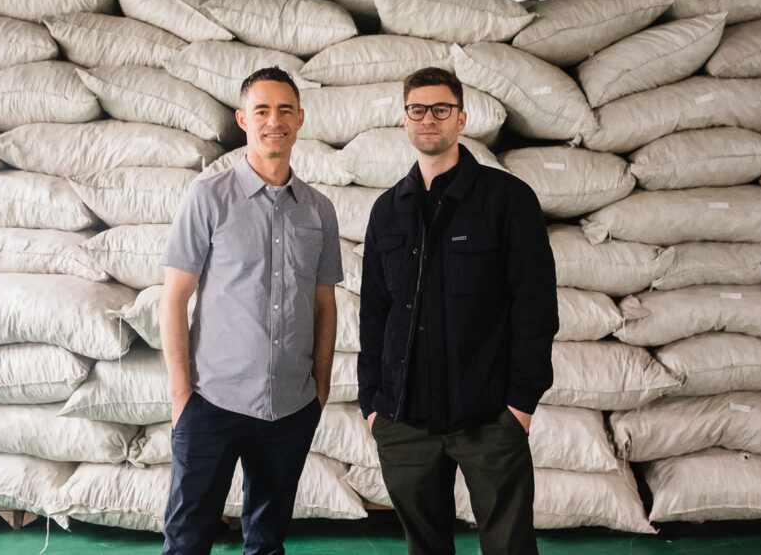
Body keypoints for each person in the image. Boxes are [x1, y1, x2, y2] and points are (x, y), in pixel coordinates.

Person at [358, 67, 558, 555]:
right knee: (424, 548)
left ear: (461, 118)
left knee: (509, 547)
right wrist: (372, 404)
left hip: (489, 414)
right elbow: (374, 313)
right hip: (404, 419)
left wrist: (520, 404)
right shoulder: (388, 209)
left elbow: (535, 305)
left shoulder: (507, 199)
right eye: (417, 109)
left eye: (441, 109)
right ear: (405, 120)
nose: (429, 118)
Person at [158, 67, 342, 555]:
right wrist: (181, 397)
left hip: (291, 405)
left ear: (301, 118)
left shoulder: (318, 210)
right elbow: (174, 298)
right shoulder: (208, 198)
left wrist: (320, 389)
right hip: (211, 402)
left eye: (285, 110)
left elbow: (324, 301)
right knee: (187, 539)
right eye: (261, 110)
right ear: (243, 119)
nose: (273, 121)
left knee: (267, 539)